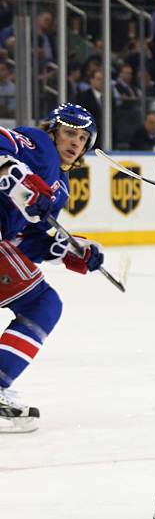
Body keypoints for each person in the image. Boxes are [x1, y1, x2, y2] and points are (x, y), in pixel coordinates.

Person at [0, 103, 104, 433]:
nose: (75, 142)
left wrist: (67, 252)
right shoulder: (38, 145)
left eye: (82, 137)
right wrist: (15, 177)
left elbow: (26, 238)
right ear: (53, 131)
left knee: (42, 303)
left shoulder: (60, 188)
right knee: (41, 303)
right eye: (69, 133)